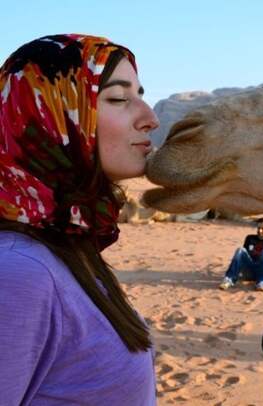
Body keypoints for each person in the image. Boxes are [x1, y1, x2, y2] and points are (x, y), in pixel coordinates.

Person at [0, 34, 159, 405]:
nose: (150, 118)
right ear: (50, 115)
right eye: (119, 98)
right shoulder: (20, 272)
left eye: (139, 94)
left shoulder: (68, 246)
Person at [219, 217, 263, 291]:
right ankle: (229, 279)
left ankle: (262, 283)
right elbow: (242, 256)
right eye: (258, 228)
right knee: (240, 250)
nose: (260, 231)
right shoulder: (250, 238)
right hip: (249, 271)